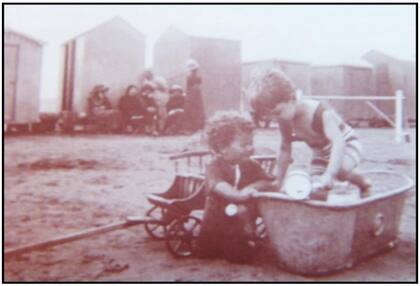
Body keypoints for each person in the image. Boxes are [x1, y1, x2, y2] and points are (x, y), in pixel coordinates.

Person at [252, 69, 371, 199]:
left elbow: (338, 142)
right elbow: (285, 149)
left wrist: (330, 174)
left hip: (346, 144)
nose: (275, 119)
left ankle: (364, 183)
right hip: (320, 152)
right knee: (316, 187)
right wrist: (278, 182)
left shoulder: (320, 112)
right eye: (270, 115)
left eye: (277, 112)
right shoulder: (285, 119)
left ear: (291, 98)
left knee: (340, 170)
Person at [197, 111, 274, 263]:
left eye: (251, 143)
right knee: (209, 248)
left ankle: (243, 246)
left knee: (239, 248)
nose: (250, 148)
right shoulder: (214, 165)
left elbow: (267, 181)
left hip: (240, 217)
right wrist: (238, 195)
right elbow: (218, 185)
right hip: (218, 214)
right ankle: (215, 247)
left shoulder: (250, 164)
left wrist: (253, 186)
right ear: (223, 148)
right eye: (244, 145)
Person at [139, 70, 169, 134]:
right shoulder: (145, 82)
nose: (147, 75)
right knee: (154, 114)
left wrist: (157, 87)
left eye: (149, 74)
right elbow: (144, 92)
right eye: (146, 75)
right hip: (151, 100)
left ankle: (161, 129)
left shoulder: (159, 79)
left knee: (161, 114)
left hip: (160, 98)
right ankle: (153, 129)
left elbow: (164, 89)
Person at [182, 59, 205, 134]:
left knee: (193, 111)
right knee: (196, 111)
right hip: (195, 96)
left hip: (192, 96)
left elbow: (192, 88)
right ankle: (196, 127)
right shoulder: (197, 77)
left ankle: (193, 128)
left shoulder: (190, 77)